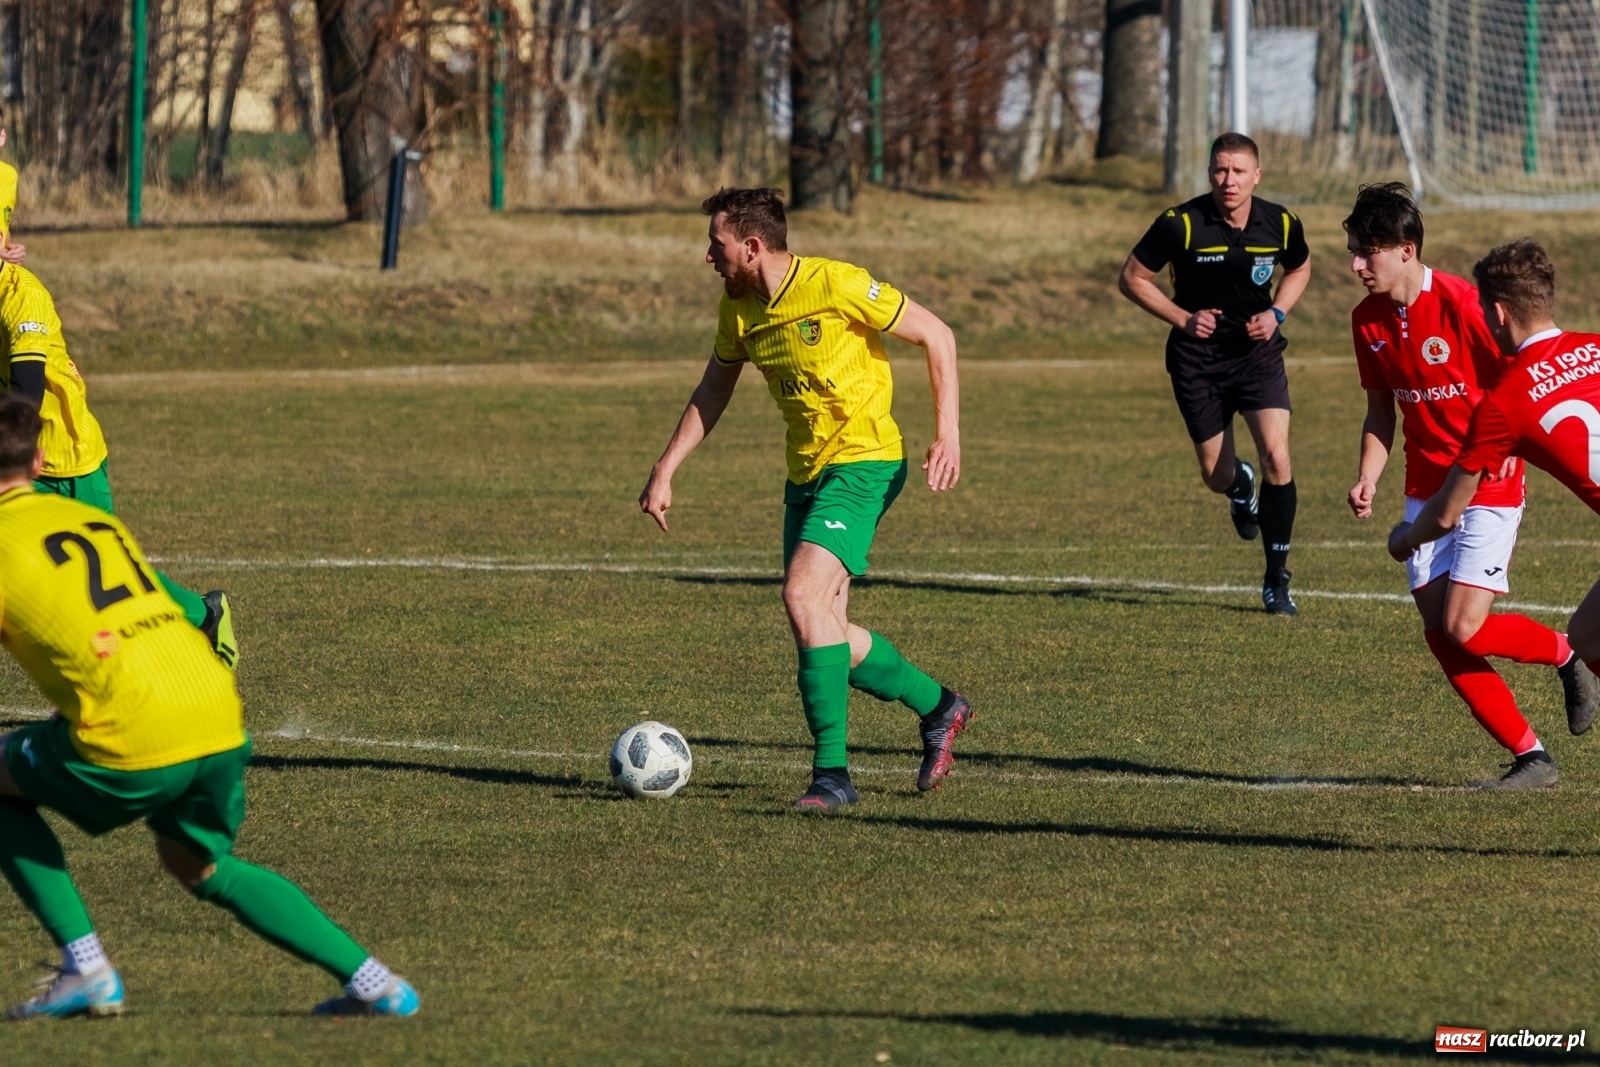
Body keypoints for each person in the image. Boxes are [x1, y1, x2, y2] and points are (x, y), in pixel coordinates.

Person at [0, 397, 416, 1019]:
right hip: (214, 705)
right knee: (197, 864)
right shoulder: (92, 520)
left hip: (134, 725)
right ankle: (377, 983)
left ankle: (85, 966)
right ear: (38, 458)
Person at [639, 187, 970, 810]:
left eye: (717, 244)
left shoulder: (837, 283)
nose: (709, 256)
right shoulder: (738, 310)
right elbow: (714, 388)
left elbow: (938, 335)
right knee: (826, 628)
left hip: (867, 461)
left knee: (801, 594)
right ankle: (941, 707)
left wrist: (946, 433)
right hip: (807, 475)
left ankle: (832, 777)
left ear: (752, 246)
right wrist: (665, 468)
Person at [1345, 187, 1596, 789]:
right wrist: (1369, 475)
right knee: (1443, 633)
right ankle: (1531, 755)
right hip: (1423, 486)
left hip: (1486, 482)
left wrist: (1498, 461)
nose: (1356, 264)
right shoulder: (1367, 321)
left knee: (1463, 625)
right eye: (1353, 251)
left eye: (1368, 252)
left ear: (1406, 251)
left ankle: (1565, 652)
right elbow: (1384, 411)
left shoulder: (1467, 303)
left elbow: (1527, 380)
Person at [0, 251, 237, 667]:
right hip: (19, 456)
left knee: (107, 578)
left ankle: (203, 616)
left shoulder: (24, 298)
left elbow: (26, 395)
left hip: (63, 458)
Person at [1119, 132, 1312, 614]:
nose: (1230, 181)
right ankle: (1239, 485)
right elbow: (1132, 278)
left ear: (1257, 175)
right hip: (1196, 360)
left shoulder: (1281, 222)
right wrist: (1182, 318)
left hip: (1256, 355)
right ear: (1210, 173)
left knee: (1278, 456)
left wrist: (1278, 314)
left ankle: (1277, 580)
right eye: (1221, 171)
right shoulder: (1180, 224)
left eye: (1239, 171)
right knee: (1215, 473)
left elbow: (1301, 268)